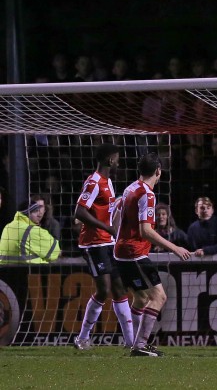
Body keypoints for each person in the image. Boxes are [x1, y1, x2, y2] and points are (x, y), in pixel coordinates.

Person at [114, 152, 191, 357]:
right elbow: (145, 230)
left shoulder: (130, 188)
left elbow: (117, 217)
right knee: (159, 297)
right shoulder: (147, 194)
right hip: (134, 253)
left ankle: (133, 342)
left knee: (141, 298)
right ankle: (139, 345)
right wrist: (175, 248)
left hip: (121, 252)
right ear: (158, 171)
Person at [73, 144, 134, 351]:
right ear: (110, 160)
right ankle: (82, 337)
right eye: (117, 158)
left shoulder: (108, 181)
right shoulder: (94, 182)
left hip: (108, 242)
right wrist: (106, 227)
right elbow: (80, 212)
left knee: (119, 289)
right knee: (104, 290)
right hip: (93, 243)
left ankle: (130, 342)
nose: (118, 161)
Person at [0, 198, 60, 265]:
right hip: (30, 271)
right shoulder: (32, 230)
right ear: (27, 213)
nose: (38, 214)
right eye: (35, 211)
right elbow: (55, 252)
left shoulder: (8, 226)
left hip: (5, 271)